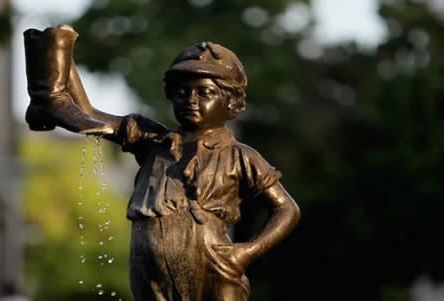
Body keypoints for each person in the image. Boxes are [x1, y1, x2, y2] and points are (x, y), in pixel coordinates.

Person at [26, 37, 300, 301]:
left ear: (232, 103)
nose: (191, 99)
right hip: (149, 268)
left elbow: (287, 209)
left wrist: (247, 252)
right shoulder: (152, 141)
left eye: (205, 92)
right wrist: (60, 65)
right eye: (182, 92)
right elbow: (88, 115)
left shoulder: (241, 156)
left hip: (213, 266)